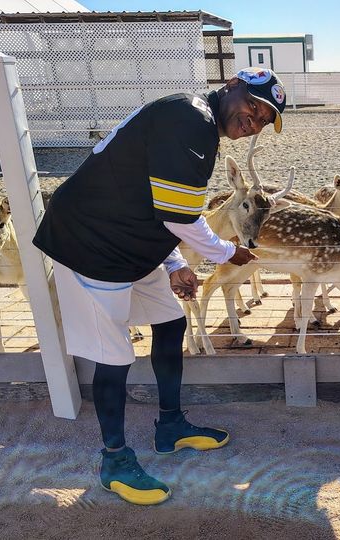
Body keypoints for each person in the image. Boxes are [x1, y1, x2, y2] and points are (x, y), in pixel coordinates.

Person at [32, 67, 287, 505]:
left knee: (170, 322)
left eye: (264, 120)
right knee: (113, 355)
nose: (254, 123)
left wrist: (170, 262)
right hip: (90, 246)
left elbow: (155, 203)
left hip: (128, 242)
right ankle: (114, 459)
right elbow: (179, 217)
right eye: (253, 107)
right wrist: (227, 253)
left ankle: (170, 426)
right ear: (231, 86)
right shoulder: (191, 119)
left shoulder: (194, 123)